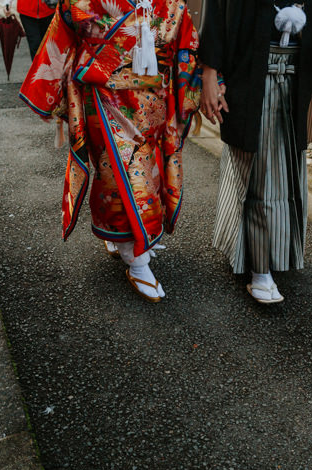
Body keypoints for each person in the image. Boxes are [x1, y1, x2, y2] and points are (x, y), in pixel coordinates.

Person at [19, 0, 204, 302]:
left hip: (153, 98)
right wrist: (46, 90)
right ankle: (137, 258)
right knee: (122, 172)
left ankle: (119, 232)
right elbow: (63, 27)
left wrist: (198, 89)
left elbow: (185, 39)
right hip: (104, 93)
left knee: (147, 171)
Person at [198, 0, 312, 303]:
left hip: (296, 77)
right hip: (248, 72)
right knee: (259, 173)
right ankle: (260, 268)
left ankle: (248, 252)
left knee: (278, 171)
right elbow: (217, 11)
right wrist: (209, 73)